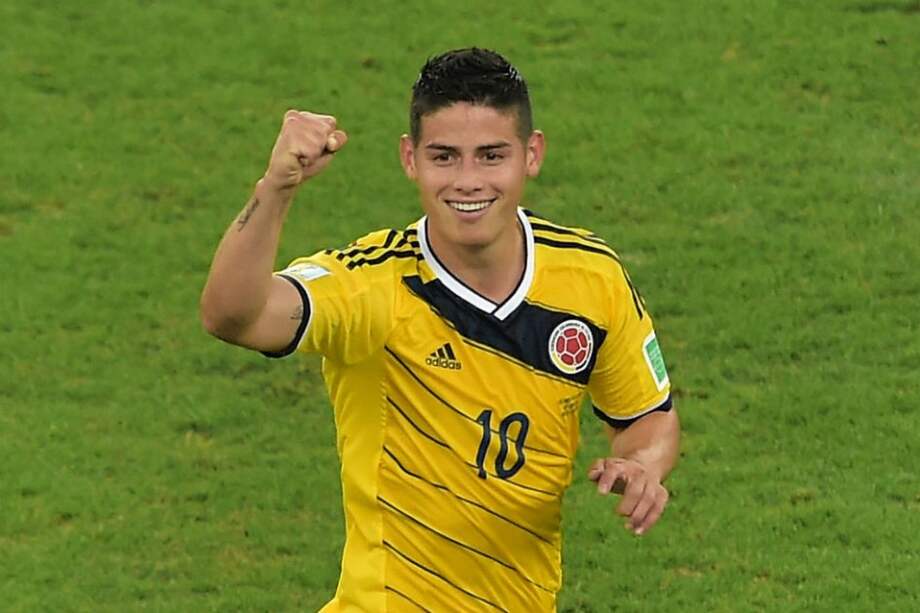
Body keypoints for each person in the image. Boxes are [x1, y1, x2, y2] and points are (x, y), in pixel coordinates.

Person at [200, 47, 680, 612]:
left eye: (491, 155)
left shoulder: (591, 277)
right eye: (445, 157)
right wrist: (275, 189)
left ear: (533, 154)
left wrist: (642, 466)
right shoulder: (372, 286)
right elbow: (234, 315)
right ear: (411, 159)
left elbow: (648, 417)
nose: (468, 181)